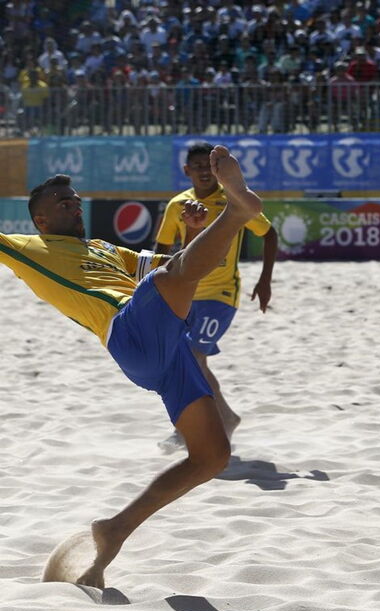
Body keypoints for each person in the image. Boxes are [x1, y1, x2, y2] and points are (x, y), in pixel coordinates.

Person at [0, 146, 264, 586]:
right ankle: (237, 212)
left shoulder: (103, 248)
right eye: (63, 203)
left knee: (212, 457)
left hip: (168, 349)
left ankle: (114, 530)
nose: (74, 206)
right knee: (166, 282)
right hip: (129, 333)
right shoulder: (28, 248)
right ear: (40, 220)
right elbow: (173, 277)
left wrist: (193, 233)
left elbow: (185, 266)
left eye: (76, 200)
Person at [154, 142, 278, 453]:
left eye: (207, 165)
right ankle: (213, 421)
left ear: (217, 170)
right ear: (186, 170)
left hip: (221, 295)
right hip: (186, 293)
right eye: (196, 166)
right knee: (184, 361)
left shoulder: (233, 201)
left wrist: (265, 280)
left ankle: (209, 423)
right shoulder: (177, 205)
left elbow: (269, 234)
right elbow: (161, 250)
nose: (203, 171)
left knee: (193, 357)